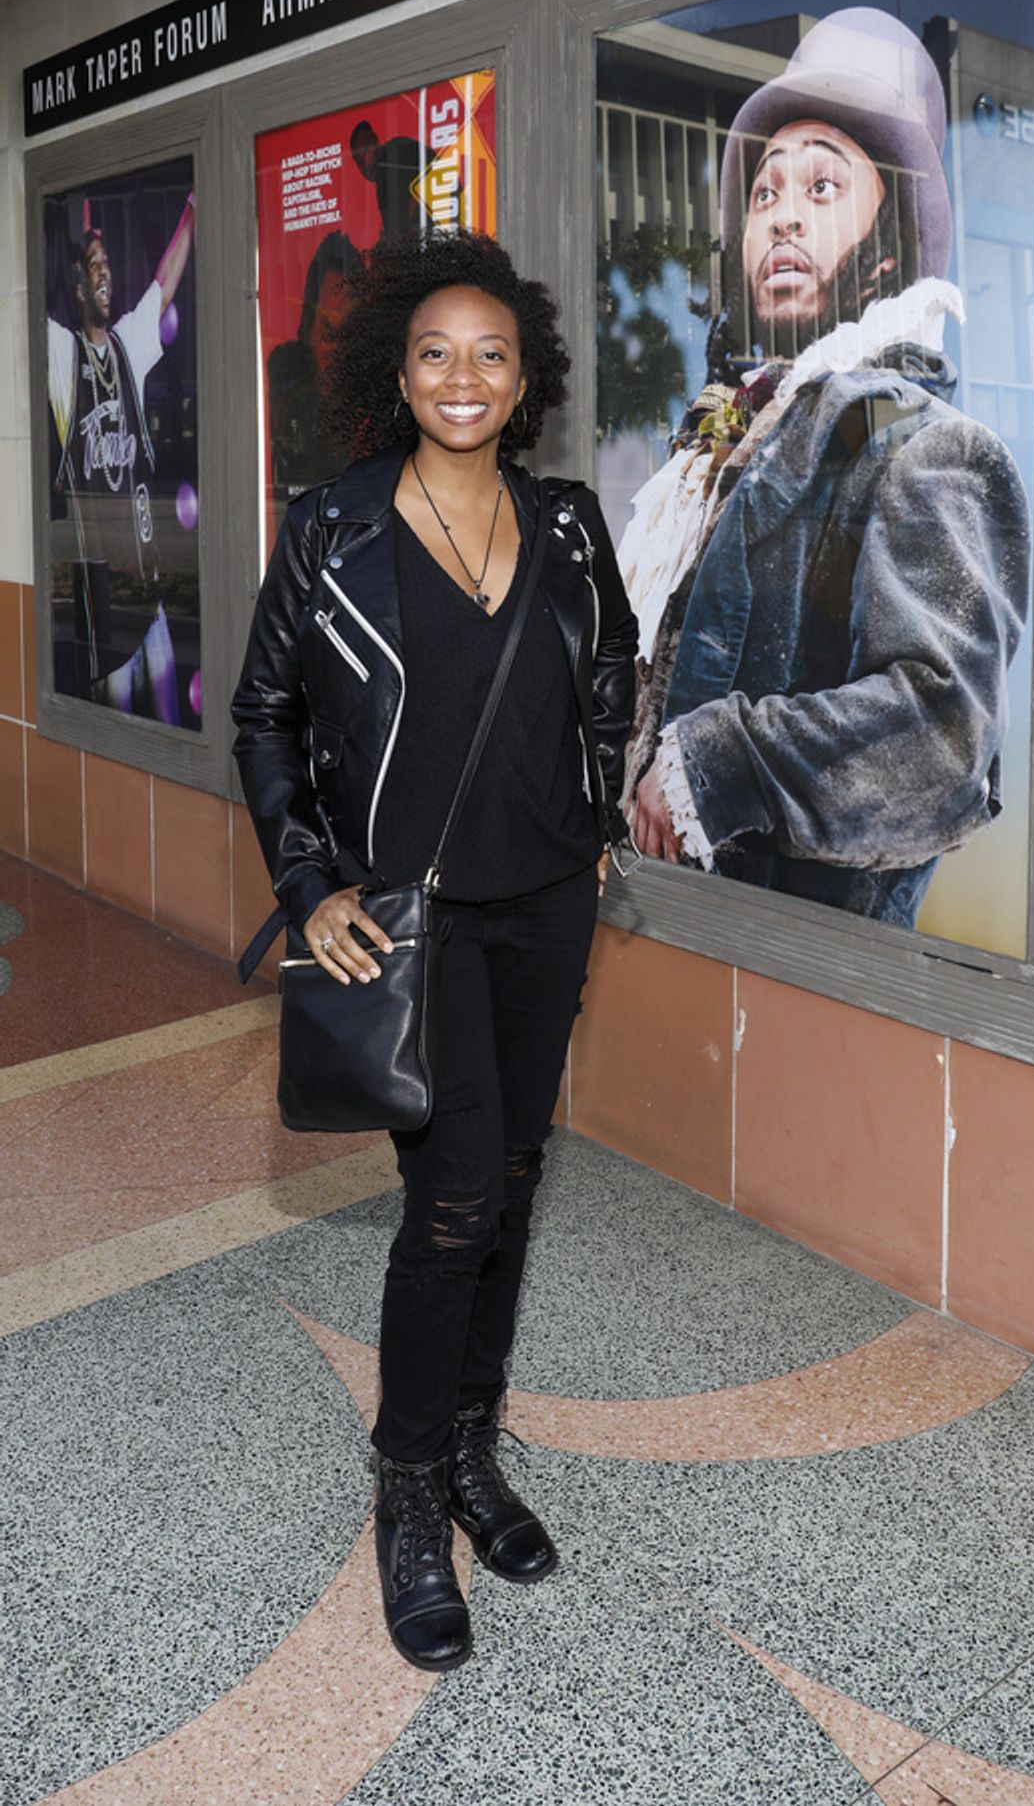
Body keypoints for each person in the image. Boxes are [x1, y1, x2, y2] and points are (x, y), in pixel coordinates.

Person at [231, 230, 637, 1672]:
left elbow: (610, 669)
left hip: (545, 904)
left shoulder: (574, 524)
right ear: (396, 372)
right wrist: (309, 874)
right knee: (456, 1198)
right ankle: (409, 1490)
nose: (462, 377)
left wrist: (595, 820)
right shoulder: (333, 529)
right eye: (434, 354)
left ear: (525, 379)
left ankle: (474, 1447)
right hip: (412, 920)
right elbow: (263, 710)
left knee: (516, 1184)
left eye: (491, 355)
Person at [620, 7, 1031, 928]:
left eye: (822, 186)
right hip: (672, 946)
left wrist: (718, 767)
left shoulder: (929, 449)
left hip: (804, 986)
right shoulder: (729, 440)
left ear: (886, 252)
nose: (784, 215)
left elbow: (943, 740)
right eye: (766, 194)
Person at [48, 194, 196, 721]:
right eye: (94, 267)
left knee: (169, 725)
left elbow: (166, 281)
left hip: (149, 599)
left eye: (108, 265)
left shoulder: (128, 346)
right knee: (115, 743)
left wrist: (192, 210)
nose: (105, 275)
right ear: (77, 283)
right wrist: (68, 227)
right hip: (104, 612)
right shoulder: (64, 357)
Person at [265, 230, 362, 502]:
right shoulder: (288, 391)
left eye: (347, 332)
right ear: (308, 331)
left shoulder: (375, 413)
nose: (336, 346)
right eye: (327, 330)